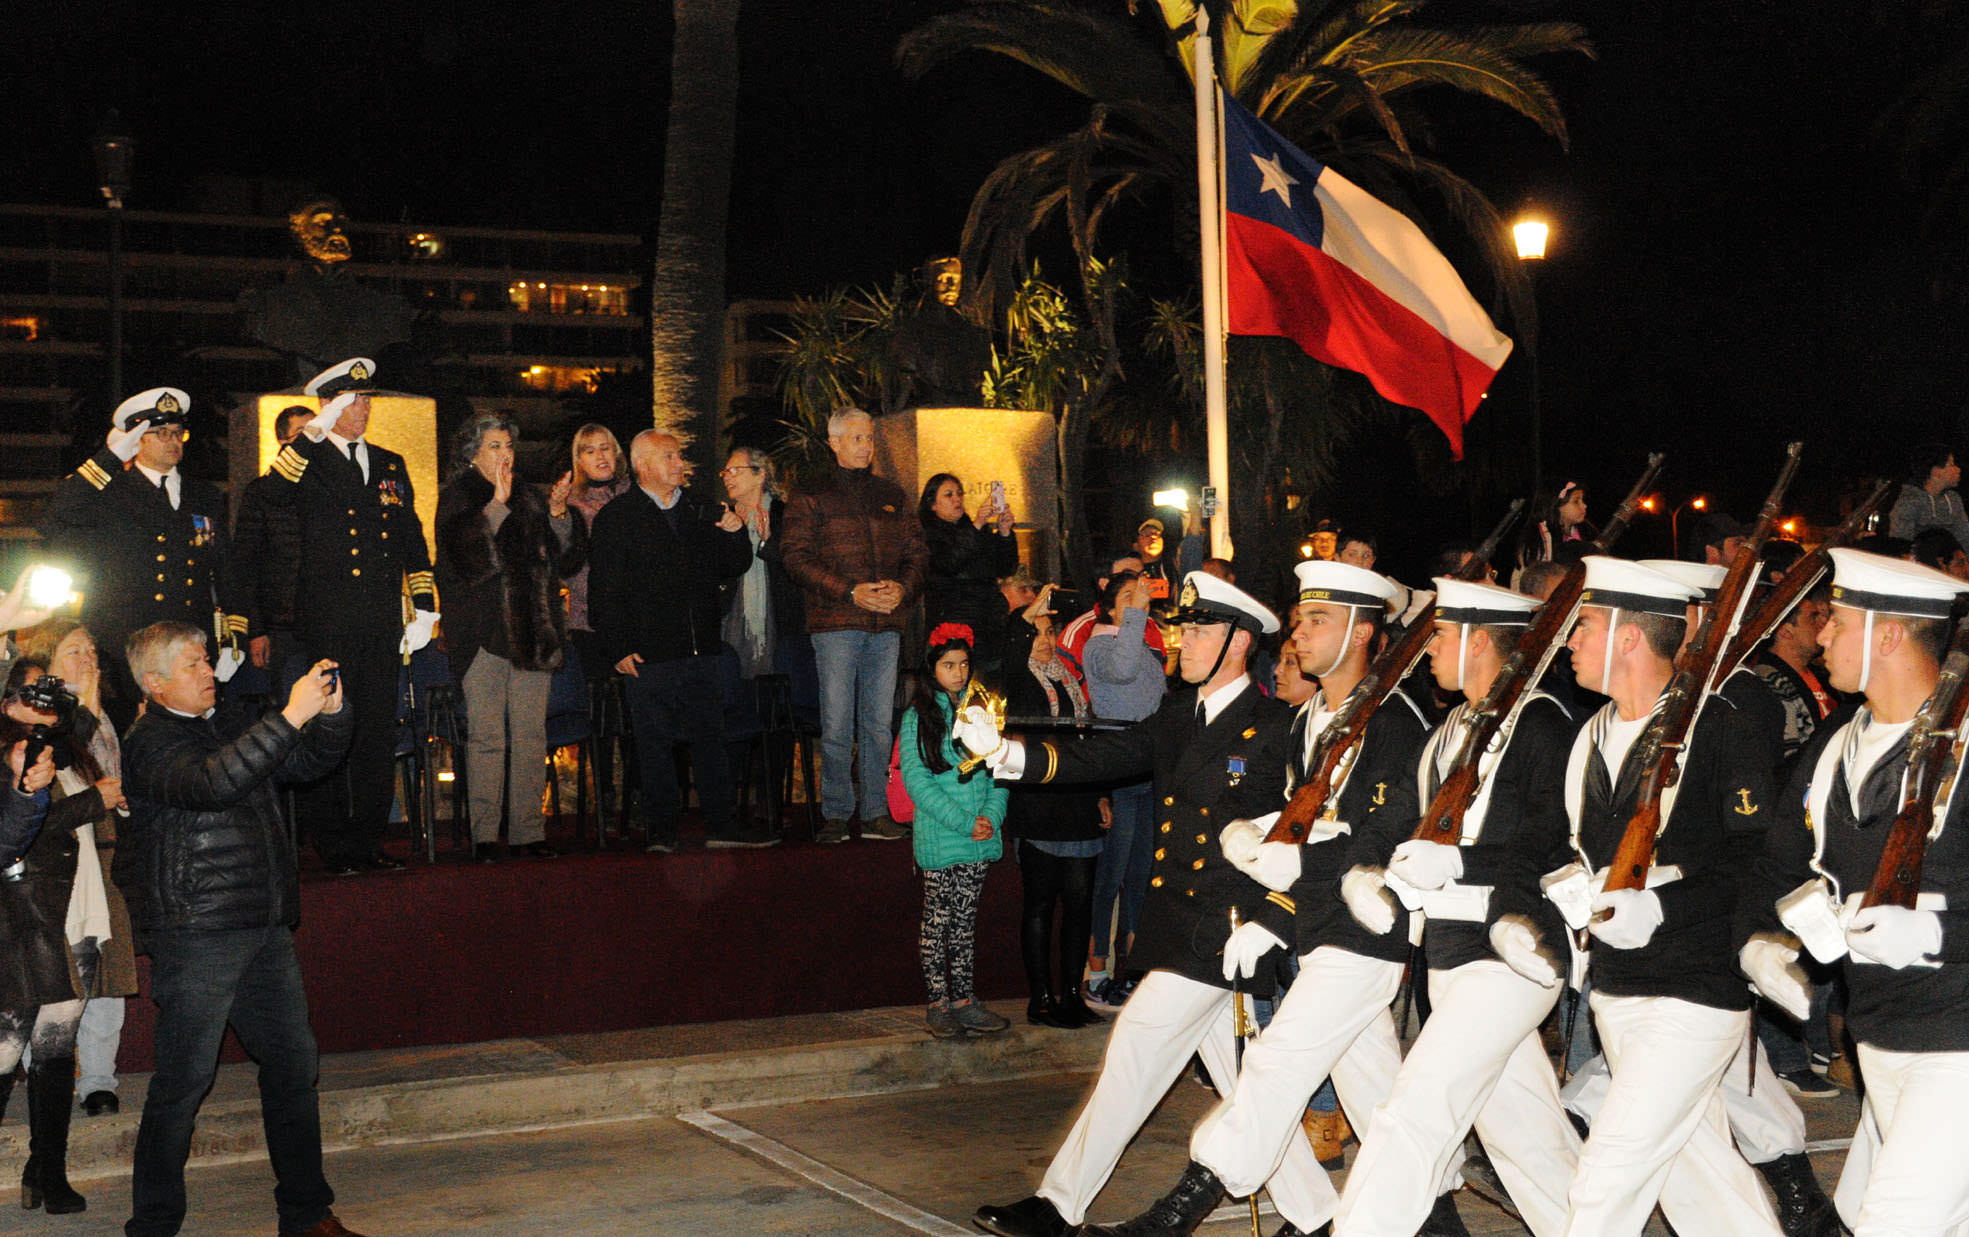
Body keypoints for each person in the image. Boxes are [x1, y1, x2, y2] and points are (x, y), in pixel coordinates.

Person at [1100, 560, 1464, 1237]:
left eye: (1318, 619)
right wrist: (1257, 861)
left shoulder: (1393, 723)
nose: (1298, 634)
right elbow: (1300, 822)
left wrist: (1284, 889)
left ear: (1361, 633)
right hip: (1317, 926)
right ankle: (1438, 1220)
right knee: (1380, 1096)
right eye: (1300, 618)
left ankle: (1183, 1206)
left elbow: (1379, 837)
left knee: (1274, 1064)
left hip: (1364, 931)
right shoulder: (1308, 722)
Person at [962, 572, 1328, 1237]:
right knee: (1244, 1084)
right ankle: (1317, 1213)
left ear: (1238, 643)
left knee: (1135, 1048)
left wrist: (1275, 917)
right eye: (1183, 629)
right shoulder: (1178, 714)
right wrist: (1008, 752)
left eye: (1200, 631)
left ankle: (1059, 1204)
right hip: (1177, 921)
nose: (1183, 642)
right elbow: (1106, 753)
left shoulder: (1279, 728)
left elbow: (1302, 835)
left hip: (1226, 928)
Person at [1330, 576, 1582, 1237]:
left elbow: (1550, 839)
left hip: (1511, 950)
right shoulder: (1450, 728)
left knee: (1415, 1109)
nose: (1430, 648)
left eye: (1440, 634)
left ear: (1478, 641)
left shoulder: (1541, 725)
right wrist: (1364, 869)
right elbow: (1403, 813)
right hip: (1448, 952)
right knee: (1527, 1142)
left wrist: (1461, 864)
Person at [1738, 548, 1969, 1236]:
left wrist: (1937, 932)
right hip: (1881, 1040)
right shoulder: (1838, 743)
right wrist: (1760, 942)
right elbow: (1777, 864)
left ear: (1887, 634)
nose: (1820, 635)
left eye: (1836, 621)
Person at [1553, 556, 1784, 1236]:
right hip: (1617, 988)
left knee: (1604, 1179)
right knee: (1703, 1187)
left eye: (1584, 626)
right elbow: (1574, 848)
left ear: (1628, 636)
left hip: (1694, 990)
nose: (1569, 640)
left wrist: (1662, 902)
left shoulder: (1718, 726)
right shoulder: (1590, 735)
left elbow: (1756, 861)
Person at [119, 621, 364, 1237]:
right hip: (197, 932)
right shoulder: (148, 741)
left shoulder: (227, 724)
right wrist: (290, 715)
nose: (210, 671)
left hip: (263, 923)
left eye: (207, 660)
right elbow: (212, 783)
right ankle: (152, 1226)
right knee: (183, 1083)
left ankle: (307, 1216)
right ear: (153, 682)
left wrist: (329, 713)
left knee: (293, 1067)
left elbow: (306, 762)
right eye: (194, 665)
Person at [261, 357, 436, 875]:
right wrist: (312, 432)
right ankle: (334, 843)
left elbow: (410, 536)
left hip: (380, 620)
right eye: (351, 400)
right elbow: (272, 493)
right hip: (329, 620)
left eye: (365, 399)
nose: (363, 408)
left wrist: (424, 604)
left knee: (376, 733)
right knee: (333, 726)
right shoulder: (307, 459)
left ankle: (369, 839)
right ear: (327, 405)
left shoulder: (388, 463)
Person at [588, 430, 758, 851]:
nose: (680, 463)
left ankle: (721, 826)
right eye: (669, 457)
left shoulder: (701, 508)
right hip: (648, 654)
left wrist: (735, 531)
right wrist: (617, 647)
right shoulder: (617, 517)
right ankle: (662, 832)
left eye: (679, 456)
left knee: (710, 740)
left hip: (701, 648)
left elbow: (734, 564)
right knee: (654, 745)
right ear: (642, 465)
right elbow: (604, 592)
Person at [39, 386, 245, 730]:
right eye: (161, 433)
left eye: (178, 432)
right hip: (125, 643)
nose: (173, 441)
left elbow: (225, 568)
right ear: (137, 441)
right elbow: (56, 517)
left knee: (195, 737)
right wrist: (110, 457)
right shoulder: (109, 491)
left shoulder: (204, 494)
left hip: (189, 643)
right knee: (129, 735)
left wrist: (232, 638)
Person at [434, 412, 586, 863]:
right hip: (482, 634)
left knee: (531, 737)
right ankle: (484, 836)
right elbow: (470, 562)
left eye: (509, 447)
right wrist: (496, 505)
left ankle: (527, 832)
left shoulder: (530, 496)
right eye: (495, 446)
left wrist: (559, 515)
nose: (506, 456)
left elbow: (565, 561)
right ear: (473, 453)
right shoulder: (457, 496)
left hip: (532, 632)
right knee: (487, 737)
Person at [0, 657, 119, 1216]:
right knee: (5, 1051)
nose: (44, 702)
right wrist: (94, 801)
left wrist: (86, 699)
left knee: (54, 1051)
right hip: (28, 917)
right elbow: (22, 826)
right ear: (6, 701)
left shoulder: (67, 749)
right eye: (31, 692)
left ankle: (47, 1172)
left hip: (80, 911)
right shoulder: (9, 753)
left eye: (52, 694)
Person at [779, 407, 929, 844]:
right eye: (857, 438)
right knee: (838, 723)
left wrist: (902, 588)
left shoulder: (892, 494)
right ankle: (837, 812)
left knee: (879, 723)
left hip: (886, 623)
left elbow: (918, 553)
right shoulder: (810, 493)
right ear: (835, 442)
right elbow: (794, 557)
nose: (866, 446)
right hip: (836, 623)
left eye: (869, 438)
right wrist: (850, 592)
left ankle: (876, 811)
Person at [16, 621, 140, 1120]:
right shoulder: (25, 740)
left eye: (91, 650)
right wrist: (96, 799)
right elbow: (27, 819)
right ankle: (44, 1085)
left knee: (104, 984)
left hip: (99, 872)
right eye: (73, 652)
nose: (88, 659)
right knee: (50, 993)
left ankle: (98, 1082)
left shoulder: (98, 721)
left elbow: (116, 783)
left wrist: (90, 713)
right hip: (47, 885)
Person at [999, 595, 1105, 1030]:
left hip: (1078, 804)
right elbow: (1011, 648)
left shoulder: (1068, 677)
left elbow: (1087, 742)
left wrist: (1100, 796)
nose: (1044, 640)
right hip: (1039, 806)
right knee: (1040, 905)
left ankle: (1072, 995)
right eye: (1036, 633)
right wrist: (1025, 617)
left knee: (1079, 905)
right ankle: (1040, 998)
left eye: (1048, 632)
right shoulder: (1017, 679)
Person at [900, 622, 1010, 1039]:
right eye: (949, 665)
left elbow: (1000, 769)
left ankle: (964, 1001)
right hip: (943, 837)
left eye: (964, 664)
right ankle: (938, 1004)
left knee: (965, 923)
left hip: (978, 837)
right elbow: (917, 782)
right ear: (932, 669)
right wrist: (966, 822)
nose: (959, 673)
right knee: (938, 921)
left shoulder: (981, 712)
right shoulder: (917, 717)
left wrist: (991, 816)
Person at [1079, 570, 1166, 1011]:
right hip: (1118, 771)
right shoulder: (1098, 646)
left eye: (1141, 595)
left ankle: (1130, 969)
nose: (1138, 602)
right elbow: (1122, 669)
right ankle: (1096, 969)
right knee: (1110, 877)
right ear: (1111, 609)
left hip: (1147, 771)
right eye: (1128, 597)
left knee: (1139, 876)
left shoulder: (1140, 643)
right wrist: (1136, 617)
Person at [719, 445, 817, 823]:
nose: (728, 477)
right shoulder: (723, 517)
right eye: (725, 472)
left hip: (779, 627)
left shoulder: (787, 514)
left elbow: (800, 567)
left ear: (760, 474)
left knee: (776, 710)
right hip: (733, 628)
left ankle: (769, 800)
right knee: (736, 705)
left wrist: (766, 542)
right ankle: (731, 801)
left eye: (735, 470)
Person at [231, 404, 312, 681]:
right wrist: (256, 631)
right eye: (301, 433)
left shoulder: (329, 489)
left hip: (326, 622)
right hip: (282, 628)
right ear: (283, 440)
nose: (311, 440)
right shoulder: (261, 493)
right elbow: (245, 564)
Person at [562, 423, 632, 682]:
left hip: (635, 615)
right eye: (590, 451)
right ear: (579, 460)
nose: (600, 456)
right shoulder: (570, 502)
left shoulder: (636, 495)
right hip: (588, 617)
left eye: (605, 448)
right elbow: (563, 562)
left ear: (617, 453)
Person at [919, 471, 1019, 635]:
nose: (957, 499)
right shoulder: (926, 534)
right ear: (933, 504)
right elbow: (948, 564)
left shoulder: (974, 530)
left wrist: (1004, 533)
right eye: (949, 495)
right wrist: (977, 524)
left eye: (959, 494)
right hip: (954, 621)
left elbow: (1005, 568)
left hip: (989, 619)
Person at [1887, 441, 1969, 549]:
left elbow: (1964, 538)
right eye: (1951, 465)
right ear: (1936, 471)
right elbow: (1900, 542)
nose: (1958, 469)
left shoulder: (1953, 499)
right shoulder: (1908, 502)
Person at [1514, 481, 1593, 579]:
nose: (1584, 505)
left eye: (1582, 500)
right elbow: (1540, 578)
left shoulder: (1586, 531)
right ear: (1556, 505)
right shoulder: (1540, 536)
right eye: (1576, 501)